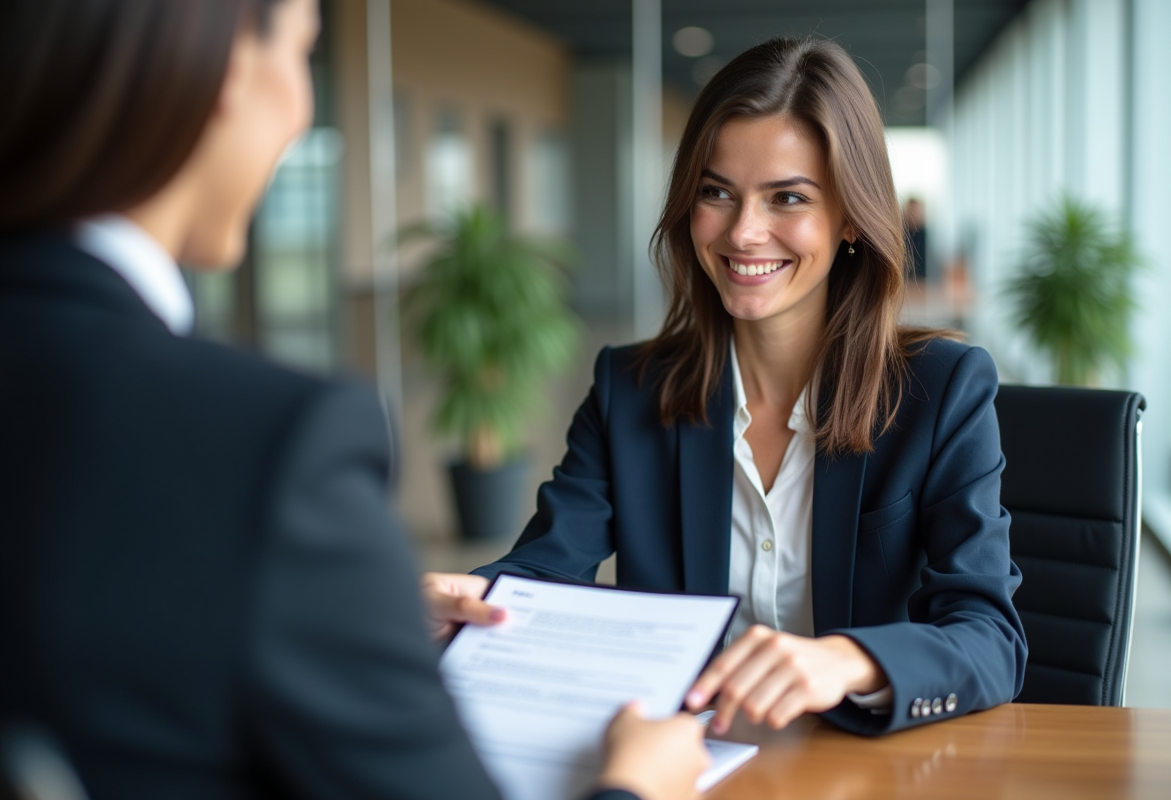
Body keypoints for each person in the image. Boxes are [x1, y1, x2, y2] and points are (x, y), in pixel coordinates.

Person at [0, 2, 709, 799]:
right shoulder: (261, 442)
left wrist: (361, 611)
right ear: (233, 67)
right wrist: (637, 786)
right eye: (303, 54)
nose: (304, 112)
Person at [425, 37, 1027, 737]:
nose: (743, 233)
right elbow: (546, 570)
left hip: (862, 762)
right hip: (683, 761)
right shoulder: (630, 390)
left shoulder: (941, 390)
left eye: (787, 198)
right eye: (717, 193)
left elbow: (990, 637)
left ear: (851, 218)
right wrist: (475, 597)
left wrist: (849, 661)